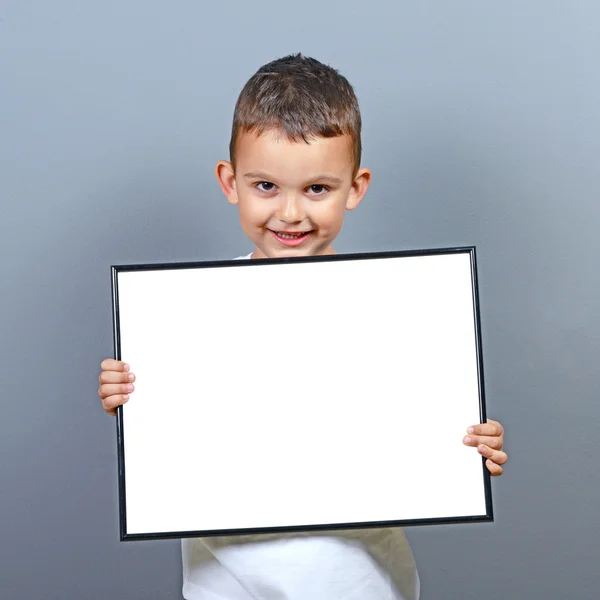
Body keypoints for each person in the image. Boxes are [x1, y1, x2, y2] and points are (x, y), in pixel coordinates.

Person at [98, 53, 508, 600]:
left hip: (362, 582)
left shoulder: (399, 315)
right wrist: (131, 393)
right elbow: (171, 434)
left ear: (355, 188)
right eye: (265, 185)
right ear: (230, 182)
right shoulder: (187, 319)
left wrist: (467, 447)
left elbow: (422, 421)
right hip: (228, 583)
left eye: (317, 189)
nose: (290, 213)